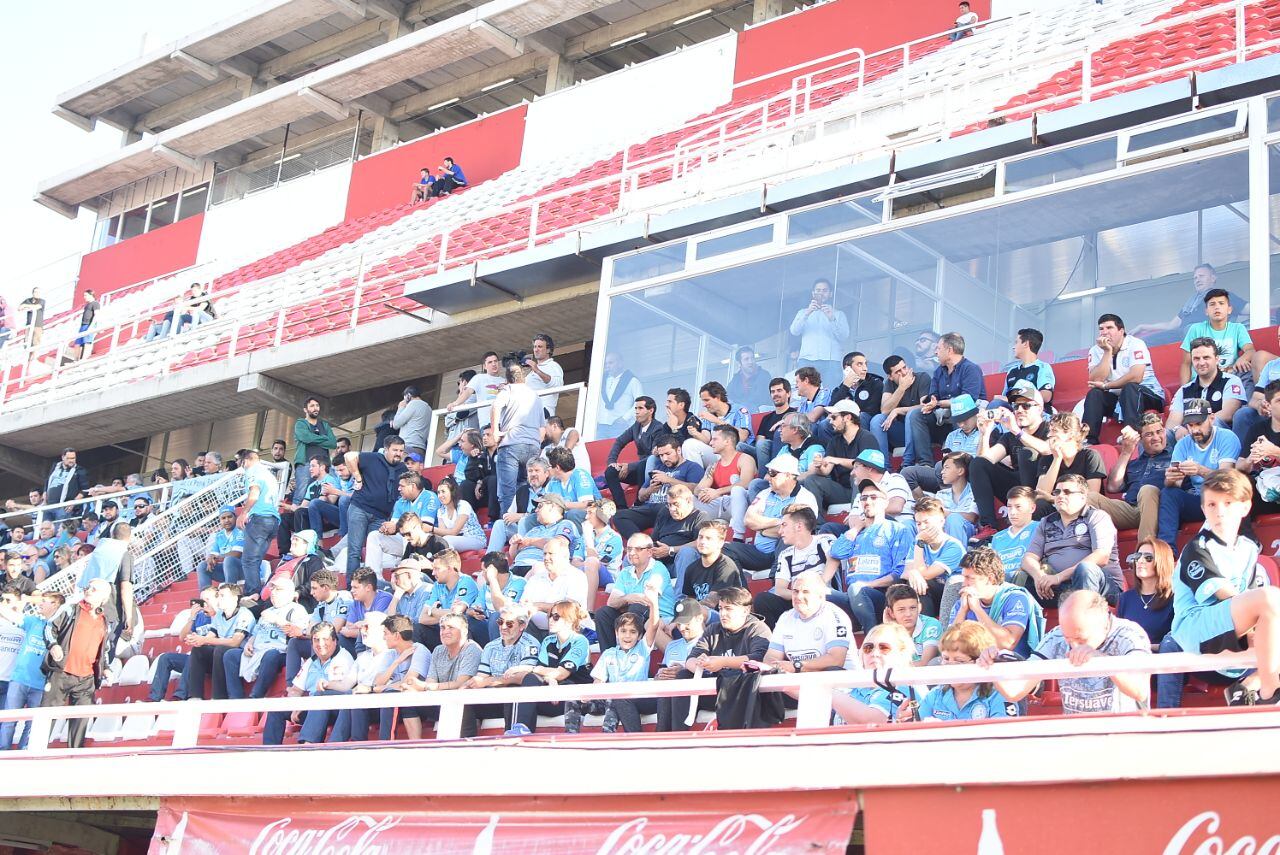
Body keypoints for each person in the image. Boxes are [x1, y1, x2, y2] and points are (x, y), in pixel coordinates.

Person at [1170, 469, 1280, 705]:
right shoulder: (1197, 547)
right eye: (1211, 504)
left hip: (1231, 627)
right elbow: (1225, 596)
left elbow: (1248, 599)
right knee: (1270, 598)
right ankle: (1271, 694)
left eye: (1228, 503)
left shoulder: (1248, 548)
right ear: (1203, 509)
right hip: (1195, 628)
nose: (1219, 511)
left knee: (1270, 610)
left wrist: (1257, 636)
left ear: (1245, 507)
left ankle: (1246, 687)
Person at [980, 590, 1151, 714]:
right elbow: (1015, 691)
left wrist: (1102, 660)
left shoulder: (1130, 635)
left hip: (1125, 740)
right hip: (1078, 742)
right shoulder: (1057, 636)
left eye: (1081, 639)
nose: (1074, 647)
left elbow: (1139, 690)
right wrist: (993, 664)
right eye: (1069, 639)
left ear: (1104, 623)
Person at [657, 587, 777, 731]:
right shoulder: (713, 629)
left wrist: (722, 662)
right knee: (681, 677)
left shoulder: (758, 628)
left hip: (743, 690)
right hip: (717, 688)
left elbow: (757, 661)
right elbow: (691, 659)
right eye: (720, 608)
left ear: (745, 610)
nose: (723, 614)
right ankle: (673, 738)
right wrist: (702, 664)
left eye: (728, 609)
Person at [1021, 474, 1123, 605]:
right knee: (1016, 582)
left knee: (1086, 569)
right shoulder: (1046, 522)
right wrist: (1039, 576)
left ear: (1083, 496)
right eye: (1057, 492)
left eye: (1067, 492)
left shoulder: (1097, 517)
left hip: (1100, 585)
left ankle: (1084, 622)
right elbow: (1029, 558)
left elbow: (1101, 556)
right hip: (1059, 586)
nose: (1060, 496)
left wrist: (1059, 577)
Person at [569, 589, 661, 734]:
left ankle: (614, 740)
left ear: (639, 636)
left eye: (632, 632)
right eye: (623, 631)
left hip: (637, 697)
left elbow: (654, 626)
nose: (627, 636)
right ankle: (570, 740)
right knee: (573, 699)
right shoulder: (608, 654)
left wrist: (653, 602)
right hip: (610, 699)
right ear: (616, 633)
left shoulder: (642, 648)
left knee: (617, 699)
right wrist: (586, 697)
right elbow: (598, 683)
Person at [969, 385, 1052, 540]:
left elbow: (1048, 449)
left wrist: (1017, 431)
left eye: (1026, 405)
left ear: (1040, 409)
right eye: (1016, 406)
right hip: (1019, 487)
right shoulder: (1010, 436)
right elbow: (984, 460)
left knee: (1027, 454)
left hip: (1042, 488)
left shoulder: (1050, 429)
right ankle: (989, 527)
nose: (1019, 410)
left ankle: (1028, 512)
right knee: (977, 464)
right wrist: (985, 434)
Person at [830, 479, 914, 632]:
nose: (867, 501)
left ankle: (872, 635)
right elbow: (836, 552)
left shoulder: (898, 530)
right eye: (863, 498)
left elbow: (899, 573)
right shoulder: (856, 533)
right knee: (817, 592)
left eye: (873, 497)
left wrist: (867, 585)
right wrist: (856, 528)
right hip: (851, 596)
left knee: (856, 589)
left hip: (880, 595)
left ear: (885, 502)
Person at [1158, 399, 1241, 550]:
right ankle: (1167, 550)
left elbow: (1227, 479)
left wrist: (1200, 470)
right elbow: (1175, 485)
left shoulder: (1226, 437)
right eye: (1190, 425)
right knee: (1168, 493)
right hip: (1198, 500)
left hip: (1223, 499)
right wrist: (1171, 478)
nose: (1195, 430)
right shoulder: (1183, 444)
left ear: (1211, 418)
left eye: (1199, 424)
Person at [41, 579, 112, 749]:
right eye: (88, 587)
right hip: (61, 672)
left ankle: (74, 756)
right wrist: (53, 645)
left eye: (94, 589)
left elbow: (104, 649)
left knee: (80, 721)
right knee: (46, 716)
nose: (89, 590)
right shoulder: (71, 608)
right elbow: (49, 628)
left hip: (86, 679)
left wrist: (106, 668)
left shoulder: (105, 621)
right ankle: (37, 751)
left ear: (104, 597)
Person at [262, 622, 357, 745]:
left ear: (334, 641)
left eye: (325, 639)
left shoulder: (342, 658)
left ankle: (307, 745)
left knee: (320, 697)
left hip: (334, 710)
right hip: (311, 706)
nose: (320, 644)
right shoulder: (311, 661)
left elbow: (333, 692)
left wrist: (305, 705)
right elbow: (295, 690)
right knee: (277, 707)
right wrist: (298, 704)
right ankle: (270, 751)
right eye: (316, 640)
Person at [721, 455, 818, 575]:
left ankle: (776, 579)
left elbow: (797, 530)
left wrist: (762, 529)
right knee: (724, 549)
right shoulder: (765, 493)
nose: (768, 477)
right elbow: (748, 520)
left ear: (788, 475)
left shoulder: (805, 497)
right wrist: (779, 522)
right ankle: (740, 591)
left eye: (773, 473)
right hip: (760, 552)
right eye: (768, 472)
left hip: (788, 550)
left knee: (789, 536)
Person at [510, 600, 592, 734]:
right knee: (527, 682)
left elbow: (561, 674)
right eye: (550, 616)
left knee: (531, 674)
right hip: (553, 692)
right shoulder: (548, 641)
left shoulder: (580, 641)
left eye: (556, 617)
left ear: (570, 620)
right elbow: (541, 673)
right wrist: (551, 680)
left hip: (574, 698)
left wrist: (529, 668)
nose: (551, 620)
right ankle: (520, 731)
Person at [763, 571, 855, 689]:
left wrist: (797, 666)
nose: (798, 596)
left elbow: (836, 660)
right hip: (802, 682)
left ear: (821, 596)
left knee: (833, 671)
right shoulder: (785, 617)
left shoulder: (835, 616)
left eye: (806, 592)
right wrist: (775, 666)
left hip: (841, 686)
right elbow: (771, 656)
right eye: (795, 591)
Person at [460, 605, 541, 737]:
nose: (503, 627)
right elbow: (481, 677)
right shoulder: (490, 646)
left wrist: (490, 681)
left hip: (515, 699)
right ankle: (464, 741)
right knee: (464, 694)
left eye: (509, 624)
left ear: (522, 626)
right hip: (493, 697)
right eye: (500, 622)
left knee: (513, 689)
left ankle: (514, 737)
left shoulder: (530, 644)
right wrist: (472, 684)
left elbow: (523, 677)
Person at [1082, 313, 1166, 442]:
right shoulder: (1096, 350)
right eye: (1101, 329)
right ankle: (1088, 440)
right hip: (1119, 399)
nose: (1104, 332)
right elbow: (1095, 380)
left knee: (1131, 387)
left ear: (1121, 331)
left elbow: (1136, 377)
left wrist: (1107, 386)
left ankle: (1130, 433)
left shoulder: (1136, 344)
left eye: (1109, 328)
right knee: (1094, 394)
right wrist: (1107, 352)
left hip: (1148, 395)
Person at [907, 332, 985, 467]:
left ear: (949, 350)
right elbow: (934, 395)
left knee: (958, 410)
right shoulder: (939, 371)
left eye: (938, 348)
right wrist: (930, 403)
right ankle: (925, 463)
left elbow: (968, 400)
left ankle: (960, 461)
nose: (936, 352)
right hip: (942, 418)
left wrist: (939, 403)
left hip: (967, 418)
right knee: (916, 415)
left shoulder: (971, 369)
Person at [398, 613, 483, 739]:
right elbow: (430, 681)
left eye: (451, 627)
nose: (445, 631)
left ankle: (466, 746)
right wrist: (419, 687)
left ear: (464, 631)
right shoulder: (438, 650)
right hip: (442, 699)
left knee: (459, 701)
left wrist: (426, 686)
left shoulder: (472, 649)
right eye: (442, 628)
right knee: (408, 700)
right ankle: (416, 745)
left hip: (467, 703)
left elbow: (461, 683)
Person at [225, 576, 309, 700]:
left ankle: (256, 696)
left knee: (271, 655)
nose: (273, 592)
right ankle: (235, 698)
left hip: (281, 651)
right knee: (230, 655)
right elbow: (256, 632)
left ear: (290, 593)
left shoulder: (297, 609)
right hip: (258, 650)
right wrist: (249, 643)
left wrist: (277, 620)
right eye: (273, 589)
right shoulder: (268, 610)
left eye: (278, 589)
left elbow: (299, 634)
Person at [949, 546, 1041, 659]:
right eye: (964, 577)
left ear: (990, 579)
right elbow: (948, 647)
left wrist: (977, 610)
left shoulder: (1015, 598)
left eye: (970, 578)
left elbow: (1007, 644)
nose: (964, 583)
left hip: (1009, 664)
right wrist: (963, 611)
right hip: (973, 663)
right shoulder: (963, 603)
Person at [753, 506, 837, 627]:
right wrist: (801, 595)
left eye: (784, 525)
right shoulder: (785, 554)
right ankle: (772, 642)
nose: (779, 531)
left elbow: (833, 562)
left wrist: (814, 591)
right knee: (763, 600)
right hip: (799, 600)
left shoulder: (824, 540)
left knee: (827, 595)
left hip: (826, 597)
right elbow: (780, 590)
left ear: (798, 526)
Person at [1091, 417, 1170, 545]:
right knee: (1090, 498)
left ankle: (1144, 551)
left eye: (1159, 432)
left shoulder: (1174, 457)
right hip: (1131, 509)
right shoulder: (1134, 464)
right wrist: (1126, 452)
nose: (1156, 437)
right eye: (1149, 434)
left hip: (1157, 509)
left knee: (1147, 490)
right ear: (1140, 439)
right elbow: (1113, 487)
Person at [1, 591, 62, 750]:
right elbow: (11, 615)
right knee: (9, 720)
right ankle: (3, 753)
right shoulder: (32, 621)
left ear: (55, 605)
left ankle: (24, 754)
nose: (40, 604)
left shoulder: (61, 629)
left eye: (44, 601)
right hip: (19, 679)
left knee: (33, 724)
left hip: (41, 684)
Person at [613, 437, 704, 539]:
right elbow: (641, 496)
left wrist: (668, 480)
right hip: (650, 508)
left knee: (663, 510)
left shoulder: (692, 467)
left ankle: (652, 543)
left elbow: (696, 489)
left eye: (668, 454)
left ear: (678, 450)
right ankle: (640, 543)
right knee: (619, 516)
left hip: (671, 509)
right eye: (661, 455)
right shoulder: (659, 467)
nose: (664, 459)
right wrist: (650, 489)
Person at [829, 623, 922, 725]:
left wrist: (827, 690)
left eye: (884, 647)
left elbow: (872, 723)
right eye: (868, 648)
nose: (874, 653)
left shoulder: (906, 685)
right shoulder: (853, 688)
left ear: (902, 653)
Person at [1131, 263, 1247, 343]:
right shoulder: (1191, 302)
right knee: (1144, 342)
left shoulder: (1223, 296)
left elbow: (1249, 308)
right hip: (1180, 336)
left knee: (1190, 329)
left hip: (1202, 339)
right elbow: (1171, 325)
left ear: (1213, 278)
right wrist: (1144, 326)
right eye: (1195, 277)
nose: (1197, 279)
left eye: (1201, 276)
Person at [343, 437, 409, 576]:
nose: (398, 453)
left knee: (374, 551)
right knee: (355, 551)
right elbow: (348, 456)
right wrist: (357, 477)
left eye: (401, 451)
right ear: (386, 449)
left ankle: (371, 586)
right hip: (360, 508)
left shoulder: (402, 468)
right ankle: (351, 587)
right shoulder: (374, 458)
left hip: (381, 516)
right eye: (395, 450)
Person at [596, 533, 669, 651]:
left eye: (638, 549)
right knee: (603, 613)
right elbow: (611, 602)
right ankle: (609, 656)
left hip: (659, 617)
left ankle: (630, 657)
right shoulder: (625, 572)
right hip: (636, 614)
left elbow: (647, 600)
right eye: (629, 549)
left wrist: (626, 601)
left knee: (636, 607)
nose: (632, 553)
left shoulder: (658, 569)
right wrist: (627, 598)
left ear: (650, 552)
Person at [804, 400, 878, 515]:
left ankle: (858, 517)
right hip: (843, 490)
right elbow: (826, 471)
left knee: (857, 474)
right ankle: (816, 526)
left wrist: (836, 460)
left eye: (834, 417)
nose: (830, 420)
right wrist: (819, 466)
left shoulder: (867, 437)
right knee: (811, 480)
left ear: (847, 417)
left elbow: (868, 466)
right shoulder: (834, 441)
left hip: (866, 490)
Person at [492, 362, 546, 514]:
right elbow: (542, 428)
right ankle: (523, 521)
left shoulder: (508, 390)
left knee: (507, 492)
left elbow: (495, 407)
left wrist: (495, 431)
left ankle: (508, 528)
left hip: (512, 444)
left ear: (508, 379)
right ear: (523, 378)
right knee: (526, 489)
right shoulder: (535, 395)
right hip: (532, 445)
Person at [1168, 336, 1247, 435]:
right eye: (1196, 359)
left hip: (1222, 437)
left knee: (1215, 423)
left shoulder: (1231, 381)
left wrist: (1198, 427)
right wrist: (1177, 429)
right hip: (1190, 436)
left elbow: (1227, 414)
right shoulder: (1184, 389)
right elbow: (1172, 422)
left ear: (1217, 359)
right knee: (1168, 433)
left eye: (1206, 357)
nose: (1201, 363)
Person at [903, 497, 966, 620]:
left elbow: (926, 575)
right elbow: (906, 572)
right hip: (930, 591)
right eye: (918, 523)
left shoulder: (953, 546)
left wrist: (920, 544)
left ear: (941, 522)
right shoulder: (917, 542)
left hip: (953, 593)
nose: (922, 528)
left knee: (923, 584)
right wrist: (913, 573)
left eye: (926, 522)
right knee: (900, 586)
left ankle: (927, 632)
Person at [693, 425, 757, 537]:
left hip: (741, 504)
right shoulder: (713, 465)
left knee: (738, 491)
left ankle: (738, 536)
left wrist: (717, 492)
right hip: (719, 503)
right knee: (688, 499)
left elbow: (746, 483)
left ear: (727, 441)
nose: (710, 443)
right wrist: (702, 492)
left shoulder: (745, 458)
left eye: (715, 439)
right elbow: (698, 489)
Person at [234, 448, 282, 591]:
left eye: (239, 461)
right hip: (273, 521)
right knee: (254, 561)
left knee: (249, 560)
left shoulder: (253, 471)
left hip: (259, 520)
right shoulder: (269, 474)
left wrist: (243, 513)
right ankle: (255, 593)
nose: (239, 464)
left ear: (246, 460)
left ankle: (252, 595)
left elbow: (254, 493)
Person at [603, 396, 663, 509]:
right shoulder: (636, 426)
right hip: (637, 469)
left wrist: (629, 466)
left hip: (650, 470)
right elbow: (619, 441)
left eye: (640, 408)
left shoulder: (658, 428)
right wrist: (612, 461)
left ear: (651, 410)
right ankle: (621, 507)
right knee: (610, 471)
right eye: (635, 408)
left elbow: (654, 456)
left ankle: (639, 505)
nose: (636, 412)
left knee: (641, 466)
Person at [870, 354, 932, 463]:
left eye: (904, 367)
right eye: (898, 371)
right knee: (877, 420)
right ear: (890, 376)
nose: (904, 372)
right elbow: (884, 410)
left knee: (911, 414)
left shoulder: (922, 377)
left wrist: (898, 410)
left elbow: (925, 406)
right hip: (902, 433)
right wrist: (902, 388)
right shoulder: (889, 383)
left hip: (922, 431)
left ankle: (907, 463)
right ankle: (882, 467)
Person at [1033, 412, 1106, 503]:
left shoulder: (1090, 456)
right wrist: (1057, 459)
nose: (1049, 435)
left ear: (1070, 435)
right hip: (1056, 507)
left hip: (1086, 508)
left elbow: (1093, 497)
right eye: (1050, 430)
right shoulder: (1047, 459)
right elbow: (1041, 494)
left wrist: (1054, 499)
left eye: (1054, 431)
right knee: (1040, 505)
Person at [1117, 538, 1175, 650]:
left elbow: (1178, 643)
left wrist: (1144, 647)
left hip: (1163, 661)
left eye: (1148, 558)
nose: (1140, 561)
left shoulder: (1174, 598)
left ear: (1162, 562)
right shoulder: (1126, 598)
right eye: (1137, 556)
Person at [789, 278, 849, 384]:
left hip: (831, 361)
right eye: (818, 290)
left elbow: (844, 336)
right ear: (813, 293)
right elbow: (794, 331)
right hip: (807, 359)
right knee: (806, 393)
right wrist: (807, 313)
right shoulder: (803, 312)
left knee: (831, 392)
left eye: (825, 291)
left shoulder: (838, 314)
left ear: (830, 294)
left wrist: (832, 318)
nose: (821, 293)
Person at [738, 377, 796, 475]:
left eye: (779, 390)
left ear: (788, 393)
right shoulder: (767, 418)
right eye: (772, 392)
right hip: (762, 451)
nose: (775, 394)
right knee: (739, 446)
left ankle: (764, 478)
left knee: (762, 444)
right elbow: (759, 441)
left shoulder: (794, 414)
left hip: (782, 449)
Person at [993, 328, 1055, 411]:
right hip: (1013, 412)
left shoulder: (1042, 367)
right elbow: (1004, 399)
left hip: (1034, 412)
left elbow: (1046, 396)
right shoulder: (1012, 371)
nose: (1013, 347)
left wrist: (1016, 396)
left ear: (1026, 344)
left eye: (1016, 342)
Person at [883, 584, 941, 664]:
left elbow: (924, 663)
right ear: (891, 612)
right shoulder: (888, 630)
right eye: (901, 609)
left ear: (919, 607)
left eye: (912, 608)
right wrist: (890, 629)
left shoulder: (931, 625)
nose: (908, 614)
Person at [543, 446, 598, 523]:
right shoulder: (552, 482)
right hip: (562, 517)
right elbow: (545, 503)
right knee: (531, 519)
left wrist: (560, 505)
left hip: (592, 516)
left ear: (557, 468)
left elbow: (587, 504)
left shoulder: (580, 475)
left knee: (572, 514)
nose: (547, 469)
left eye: (549, 466)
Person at [597, 352, 644, 438]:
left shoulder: (632, 381)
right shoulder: (601, 381)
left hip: (620, 426)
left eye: (611, 363)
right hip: (601, 426)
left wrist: (625, 418)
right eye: (606, 363)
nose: (607, 366)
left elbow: (640, 402)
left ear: (620, 363)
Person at [524, 333, 564, 416]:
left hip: (544, 411)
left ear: (548, 350)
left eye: (540, 347)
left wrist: (537, 371)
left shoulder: (553, 365)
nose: (536, 349)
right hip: (529, 410)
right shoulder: (532, 370)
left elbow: (558, 386)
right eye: (535, 347)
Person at [45, 448, 89, 521]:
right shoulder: (55, 467)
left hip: (64, 507)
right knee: (44, 529)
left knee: (59, 530)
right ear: (63, 457)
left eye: (73, 458)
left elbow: (85, 490)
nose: (71, 460)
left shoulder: (80, 470)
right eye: (68, 458)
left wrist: (73, 502)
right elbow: (48, 480)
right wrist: (44, 492)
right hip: (48, 505)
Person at [727, 346, 773, 414]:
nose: (751, 362)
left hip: (761, 416)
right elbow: (727, 397)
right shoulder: (735, 379)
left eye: (752, 358)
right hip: (740, 417)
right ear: (739, 363)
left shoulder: (764, 375)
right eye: (746, 359)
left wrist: (739, 404)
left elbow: (760, 398)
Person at [70, 289, 99, 361]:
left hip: (89, 325)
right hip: (83, 325)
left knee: (87, 343)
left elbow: (97, 315)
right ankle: (75, 360)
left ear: (91, 295)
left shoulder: (95, 303)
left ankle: (84, 359)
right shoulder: (87, 305)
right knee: (77, 343)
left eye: (86, 295)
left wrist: (91, 327)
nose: (84, 297)